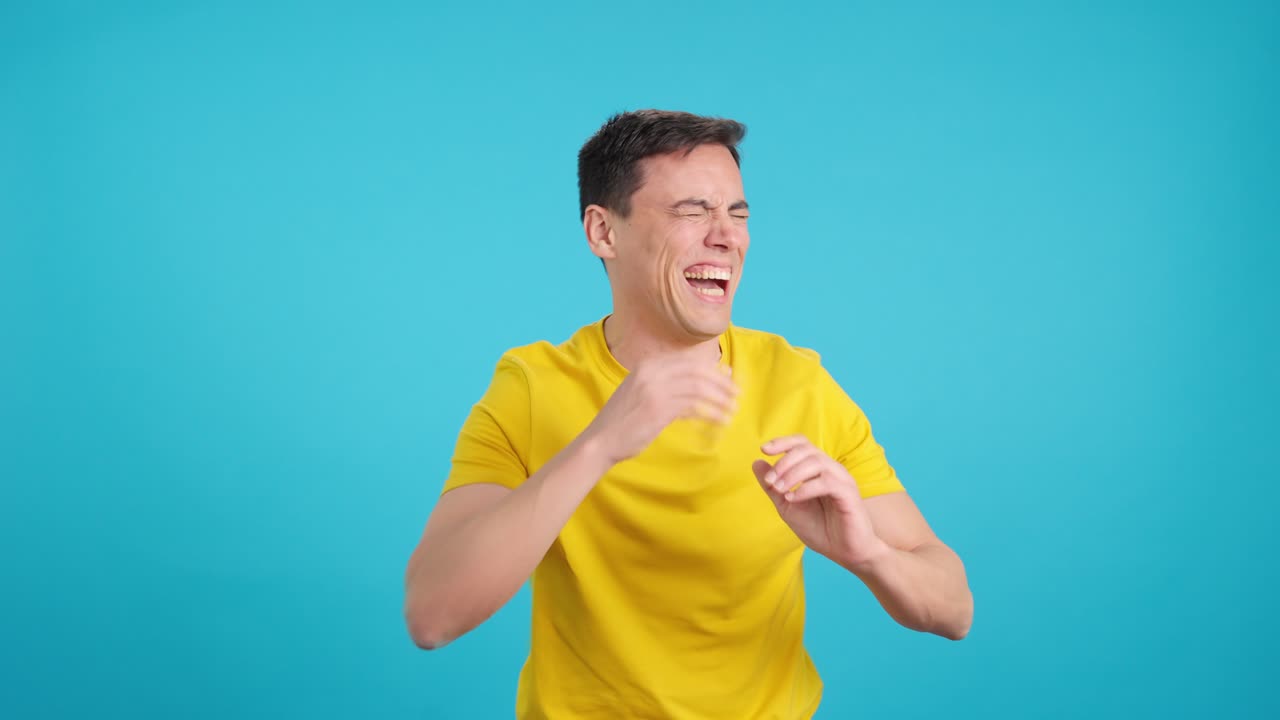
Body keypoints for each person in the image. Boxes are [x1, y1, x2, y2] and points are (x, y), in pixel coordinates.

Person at [404, 109, 974, 719]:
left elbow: (953, 610)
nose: (726, 236)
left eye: (738, 213)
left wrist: (871, 557)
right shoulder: (533, 387)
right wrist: (599, 445)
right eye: (692, 212)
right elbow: (433, 616)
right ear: (603, 232)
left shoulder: (799, 384)